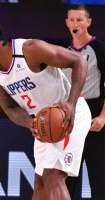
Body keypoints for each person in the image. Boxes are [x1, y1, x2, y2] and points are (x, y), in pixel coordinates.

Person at [0, 19, 91, 200]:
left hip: (69, 115)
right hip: (44, 122)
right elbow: (10, 108)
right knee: (41, 182)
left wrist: (71, 104)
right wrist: (30, 123)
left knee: (53, 175)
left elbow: (79, 62)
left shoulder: (30, 50)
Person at [64, 4, 105, 200]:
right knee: (67, 178)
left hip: (95, 119)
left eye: (79, 19)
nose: (75, 23)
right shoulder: (62, 51)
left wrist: (103, 117)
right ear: (66, 22)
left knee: (99, 177)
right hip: (70, 120)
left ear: (88, 22)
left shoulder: (100, 48)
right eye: (71, 20)